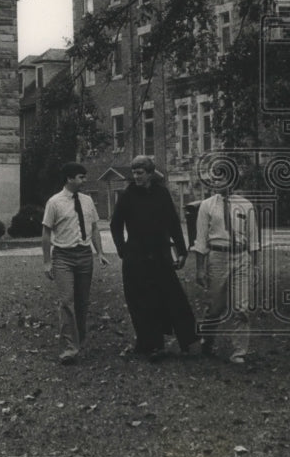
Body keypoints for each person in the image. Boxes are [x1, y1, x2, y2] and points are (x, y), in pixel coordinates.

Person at [110, 155, 197, 360]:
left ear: (149, 173)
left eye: (140, 173)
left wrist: (182, 252)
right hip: (136, 258)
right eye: (134, 173)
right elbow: (116, 225)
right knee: (140, 301)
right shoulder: (128, 195)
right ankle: (149, 343)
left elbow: (174, 224)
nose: (136, 176)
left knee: (172, 298)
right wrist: (123, 249)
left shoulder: (162, 194)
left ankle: (190, 341)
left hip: (160, 256)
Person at [42, 162, 108, 364]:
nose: (84, 180)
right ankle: (69, 349)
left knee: (82, 302)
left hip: (85, 256)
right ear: (69, 178)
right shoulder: (54, 202)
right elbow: (46, 233)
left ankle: (79, 340)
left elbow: (95, 228)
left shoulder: (87, 201)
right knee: (66, 302)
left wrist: (100, 253)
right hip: (63, 257)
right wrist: (47, 262)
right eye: (81, 177)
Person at [192, 183, 260, 364]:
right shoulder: (207, 205)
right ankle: (207, 342)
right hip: (217, 258)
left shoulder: (246, 205)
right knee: (215, 308)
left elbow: (253, 239)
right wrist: (200, 269)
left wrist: (255, 267)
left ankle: (239, 352)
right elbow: (200, 240)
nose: (216, 182)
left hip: (241, 258)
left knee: (241, 308)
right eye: (214, 177)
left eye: (222, 177)